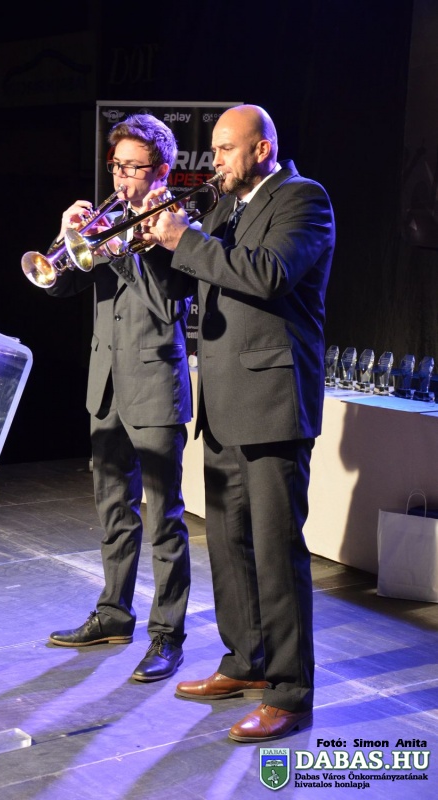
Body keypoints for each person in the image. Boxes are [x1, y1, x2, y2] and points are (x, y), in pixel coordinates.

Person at [139, 104, 335, 739]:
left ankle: (290, 690)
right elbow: (186, 284)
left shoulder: (304, 199)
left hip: (273, 405)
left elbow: (269, 274)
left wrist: (187, 241)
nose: (215, 159)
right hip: (223, 405)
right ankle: (246, 661)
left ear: (262, 148)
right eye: (216, 148)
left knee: (277, 552)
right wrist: (151, 246)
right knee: (228, 547)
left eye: (226, 148)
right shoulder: (226, 206)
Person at [44, 114, 195, 682]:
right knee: (113, 510)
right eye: (117, 167)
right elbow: (59, 282)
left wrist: (123, 250)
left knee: (165, 518)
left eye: (134, 168)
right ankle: (113, 613)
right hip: (105, 386)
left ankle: (167, 634)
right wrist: (66, 237)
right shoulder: (106, 222)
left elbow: (167, 303)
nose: (123, 178)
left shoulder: (179, 224)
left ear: (161, 170)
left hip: (155, 387)